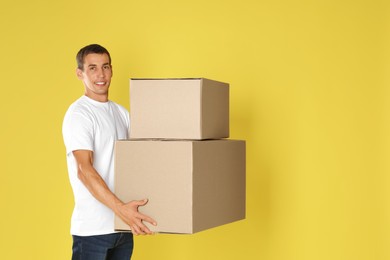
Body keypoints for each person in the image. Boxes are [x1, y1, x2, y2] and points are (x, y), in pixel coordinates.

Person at [62, 44, 156, 260]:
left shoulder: (122, 113)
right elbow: (84, 170)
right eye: (92, 68)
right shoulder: (79, 114)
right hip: (93, 231)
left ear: (112, 70)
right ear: (80, 73)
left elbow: (142, 159)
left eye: (105, 67)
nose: (101, 75)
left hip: (123, 228)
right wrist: (121, 209)